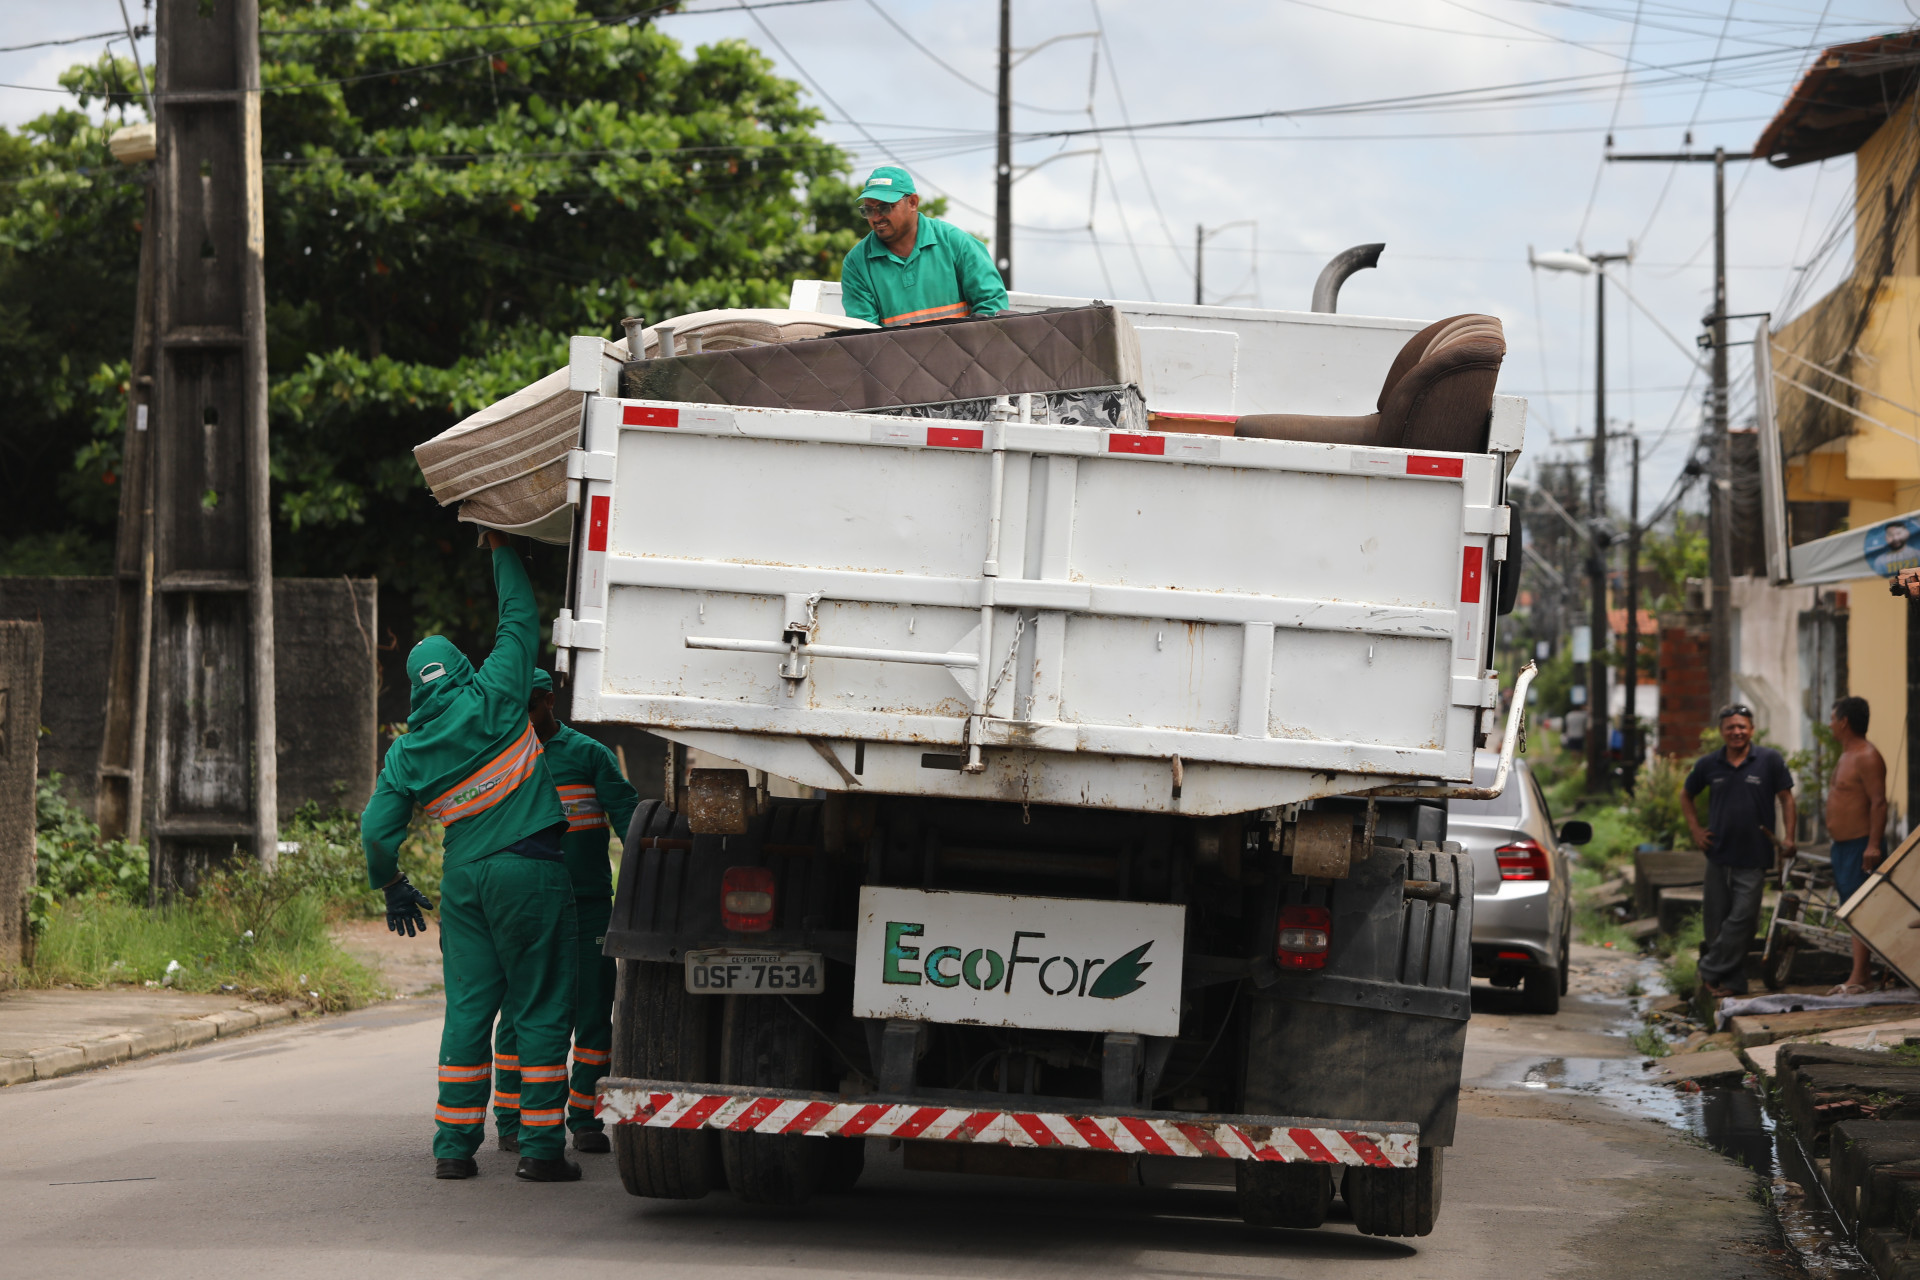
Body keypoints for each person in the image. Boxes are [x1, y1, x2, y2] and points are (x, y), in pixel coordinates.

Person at [359, 531, 581, 1184]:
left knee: (467, 1012)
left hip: (464, 889)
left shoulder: (408, 752)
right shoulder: (496, 694)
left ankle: (454, 1146)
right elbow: (518, 617)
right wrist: (500, 548)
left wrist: (391, 882)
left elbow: (377, 830)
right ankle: (541, 1150)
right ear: (459, 667)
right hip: (530, 875)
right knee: (539, 1007)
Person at [493, 669, 638, 1156]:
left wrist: (640, 895)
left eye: (528, 708)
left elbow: (630, 826)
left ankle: (585, 1119)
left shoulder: (588, 756)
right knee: (519, 1013)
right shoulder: (500, 755)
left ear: (549, 701)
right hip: (526, 910)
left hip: (588, 907)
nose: (520, 719)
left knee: (594, 1013)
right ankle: (511, 1119)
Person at [1683, 704, 1798, 998]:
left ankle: (1708, 969)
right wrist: (1696, 830)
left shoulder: (1769, 760)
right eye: (1731, 727)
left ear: (1752, 730)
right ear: (1722, 731)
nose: (1736, 732)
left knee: (1744, 919)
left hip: (1754, 856)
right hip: (1718, 855)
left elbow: (1786, 799)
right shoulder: (1709, 764)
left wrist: (1790, 838)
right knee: (1716, 923)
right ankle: (1733, 983)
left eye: (1742, 726)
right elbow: (1687, 795)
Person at [839, 165, 1010, 328]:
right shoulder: (856, 264)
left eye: (884, 208)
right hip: (894, 358)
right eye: (868, 210)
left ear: (912, 202)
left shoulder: (954, 242)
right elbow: (864, 335)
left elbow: (992, 308)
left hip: (961, 357)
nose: (876, 218)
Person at [1825, 695, 1888, 995]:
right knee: (1849, 909)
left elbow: (1879, 802)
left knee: (1859, 908)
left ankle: (1859, 976)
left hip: (1861, 845)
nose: (1830, 724)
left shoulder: (1867, 755)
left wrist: (1873, 845)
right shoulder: (1847, 753)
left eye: (1832, 718)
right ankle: (1861, 974)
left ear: (1844, 722)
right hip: (1843, 846)